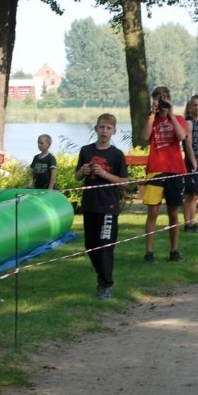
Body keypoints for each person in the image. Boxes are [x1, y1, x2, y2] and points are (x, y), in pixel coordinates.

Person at [75, 115, 128, 299]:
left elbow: (124, 182)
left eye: (108, 128)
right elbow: (77, 177)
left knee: (105, 246)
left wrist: (105, 174)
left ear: (113, 131)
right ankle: (101, 277)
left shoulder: (116, 154)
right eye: (101, 127)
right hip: (90, 205)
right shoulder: (86, 151)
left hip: (108, 205)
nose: (104, 131)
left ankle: (106, 285)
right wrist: (83, 171)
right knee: (91, 246)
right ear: (96, 129)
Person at [142, 85, 187, 262]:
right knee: (152, 213)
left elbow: (182, 136)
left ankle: (174, 250)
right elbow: (145, 137)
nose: (161, 101)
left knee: (173, 213)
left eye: (164, 97)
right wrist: (152, 113)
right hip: (155, 170)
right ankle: (149, 252)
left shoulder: (178, 118)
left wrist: (171, 113)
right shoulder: (151, 119)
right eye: (158, 98)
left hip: (174, 169)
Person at [182, 95, 198, 232]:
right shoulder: (188, 122)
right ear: (190, 106)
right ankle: (188, 223)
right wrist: (194, 163)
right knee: (190, 194)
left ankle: (193, 221)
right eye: (194, 105)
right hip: (193, 162)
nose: (197, 107)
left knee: (196, 194)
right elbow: (188, 145)